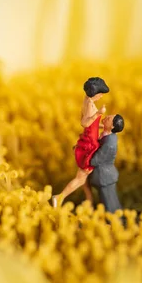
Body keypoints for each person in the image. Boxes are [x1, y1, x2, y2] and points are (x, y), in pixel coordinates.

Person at [52, 77, 109, 207]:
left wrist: (101, 126)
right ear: (95, 93)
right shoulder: (90, 105)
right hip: (89, 144)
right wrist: (98, 113)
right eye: (100, 94)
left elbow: (89, 124)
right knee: (80, 178)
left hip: (89, 139)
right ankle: (59, 197)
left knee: (85, 176)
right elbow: (85, 123)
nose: (101, 96)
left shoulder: (86, 100)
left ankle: (89, 198)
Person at [89, 114, 124, 213]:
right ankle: (117, 217)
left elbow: (97, 159)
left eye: (108, 118)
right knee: (108, 199)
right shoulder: (107, 135)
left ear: (112, 126)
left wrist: (87, 158)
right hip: (105, 175)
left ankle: (114, 221)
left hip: (104, 176)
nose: (106, 117)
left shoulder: (109, 143)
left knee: (108, 201)